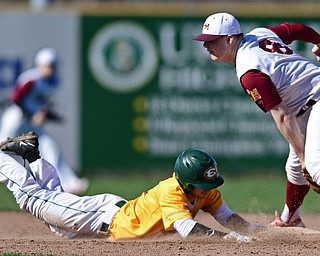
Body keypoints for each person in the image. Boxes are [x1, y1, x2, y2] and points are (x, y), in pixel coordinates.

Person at [0, 131, 264, 241]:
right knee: (32, 199)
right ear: (185, 182)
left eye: (208, 183)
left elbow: (227, 217)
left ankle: (31, 156)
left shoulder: (205, 191)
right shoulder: (171, 191)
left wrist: (257, 232)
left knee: (53, 210)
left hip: (106, 221)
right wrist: (228, 239)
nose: (207, 190)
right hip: (97, 218)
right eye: (200, 184)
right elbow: (187, 228)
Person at [192, 12, 320, 227]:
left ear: (230, 39)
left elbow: (282, 116)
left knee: (314, 168)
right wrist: (318, 40)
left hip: (315, 101)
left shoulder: (249, 71)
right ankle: (290, 218)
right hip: (308, 105)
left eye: (212, 40)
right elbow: (295, 29)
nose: (206, 46)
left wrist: (305, 156)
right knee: (295, 168)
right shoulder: (261, 34)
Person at [0, 47, 88, 195]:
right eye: (49, 65)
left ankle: (69, 183)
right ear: (40, 65)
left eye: (53, 65)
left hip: (29, 119)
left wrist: (50, 116)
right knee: (2, 145)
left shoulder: (50, 81)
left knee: (49, 145)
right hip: (16, 116)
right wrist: (33, 114)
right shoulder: (31, 79)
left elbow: (40, 106)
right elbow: (16, 98)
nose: (51, 69)